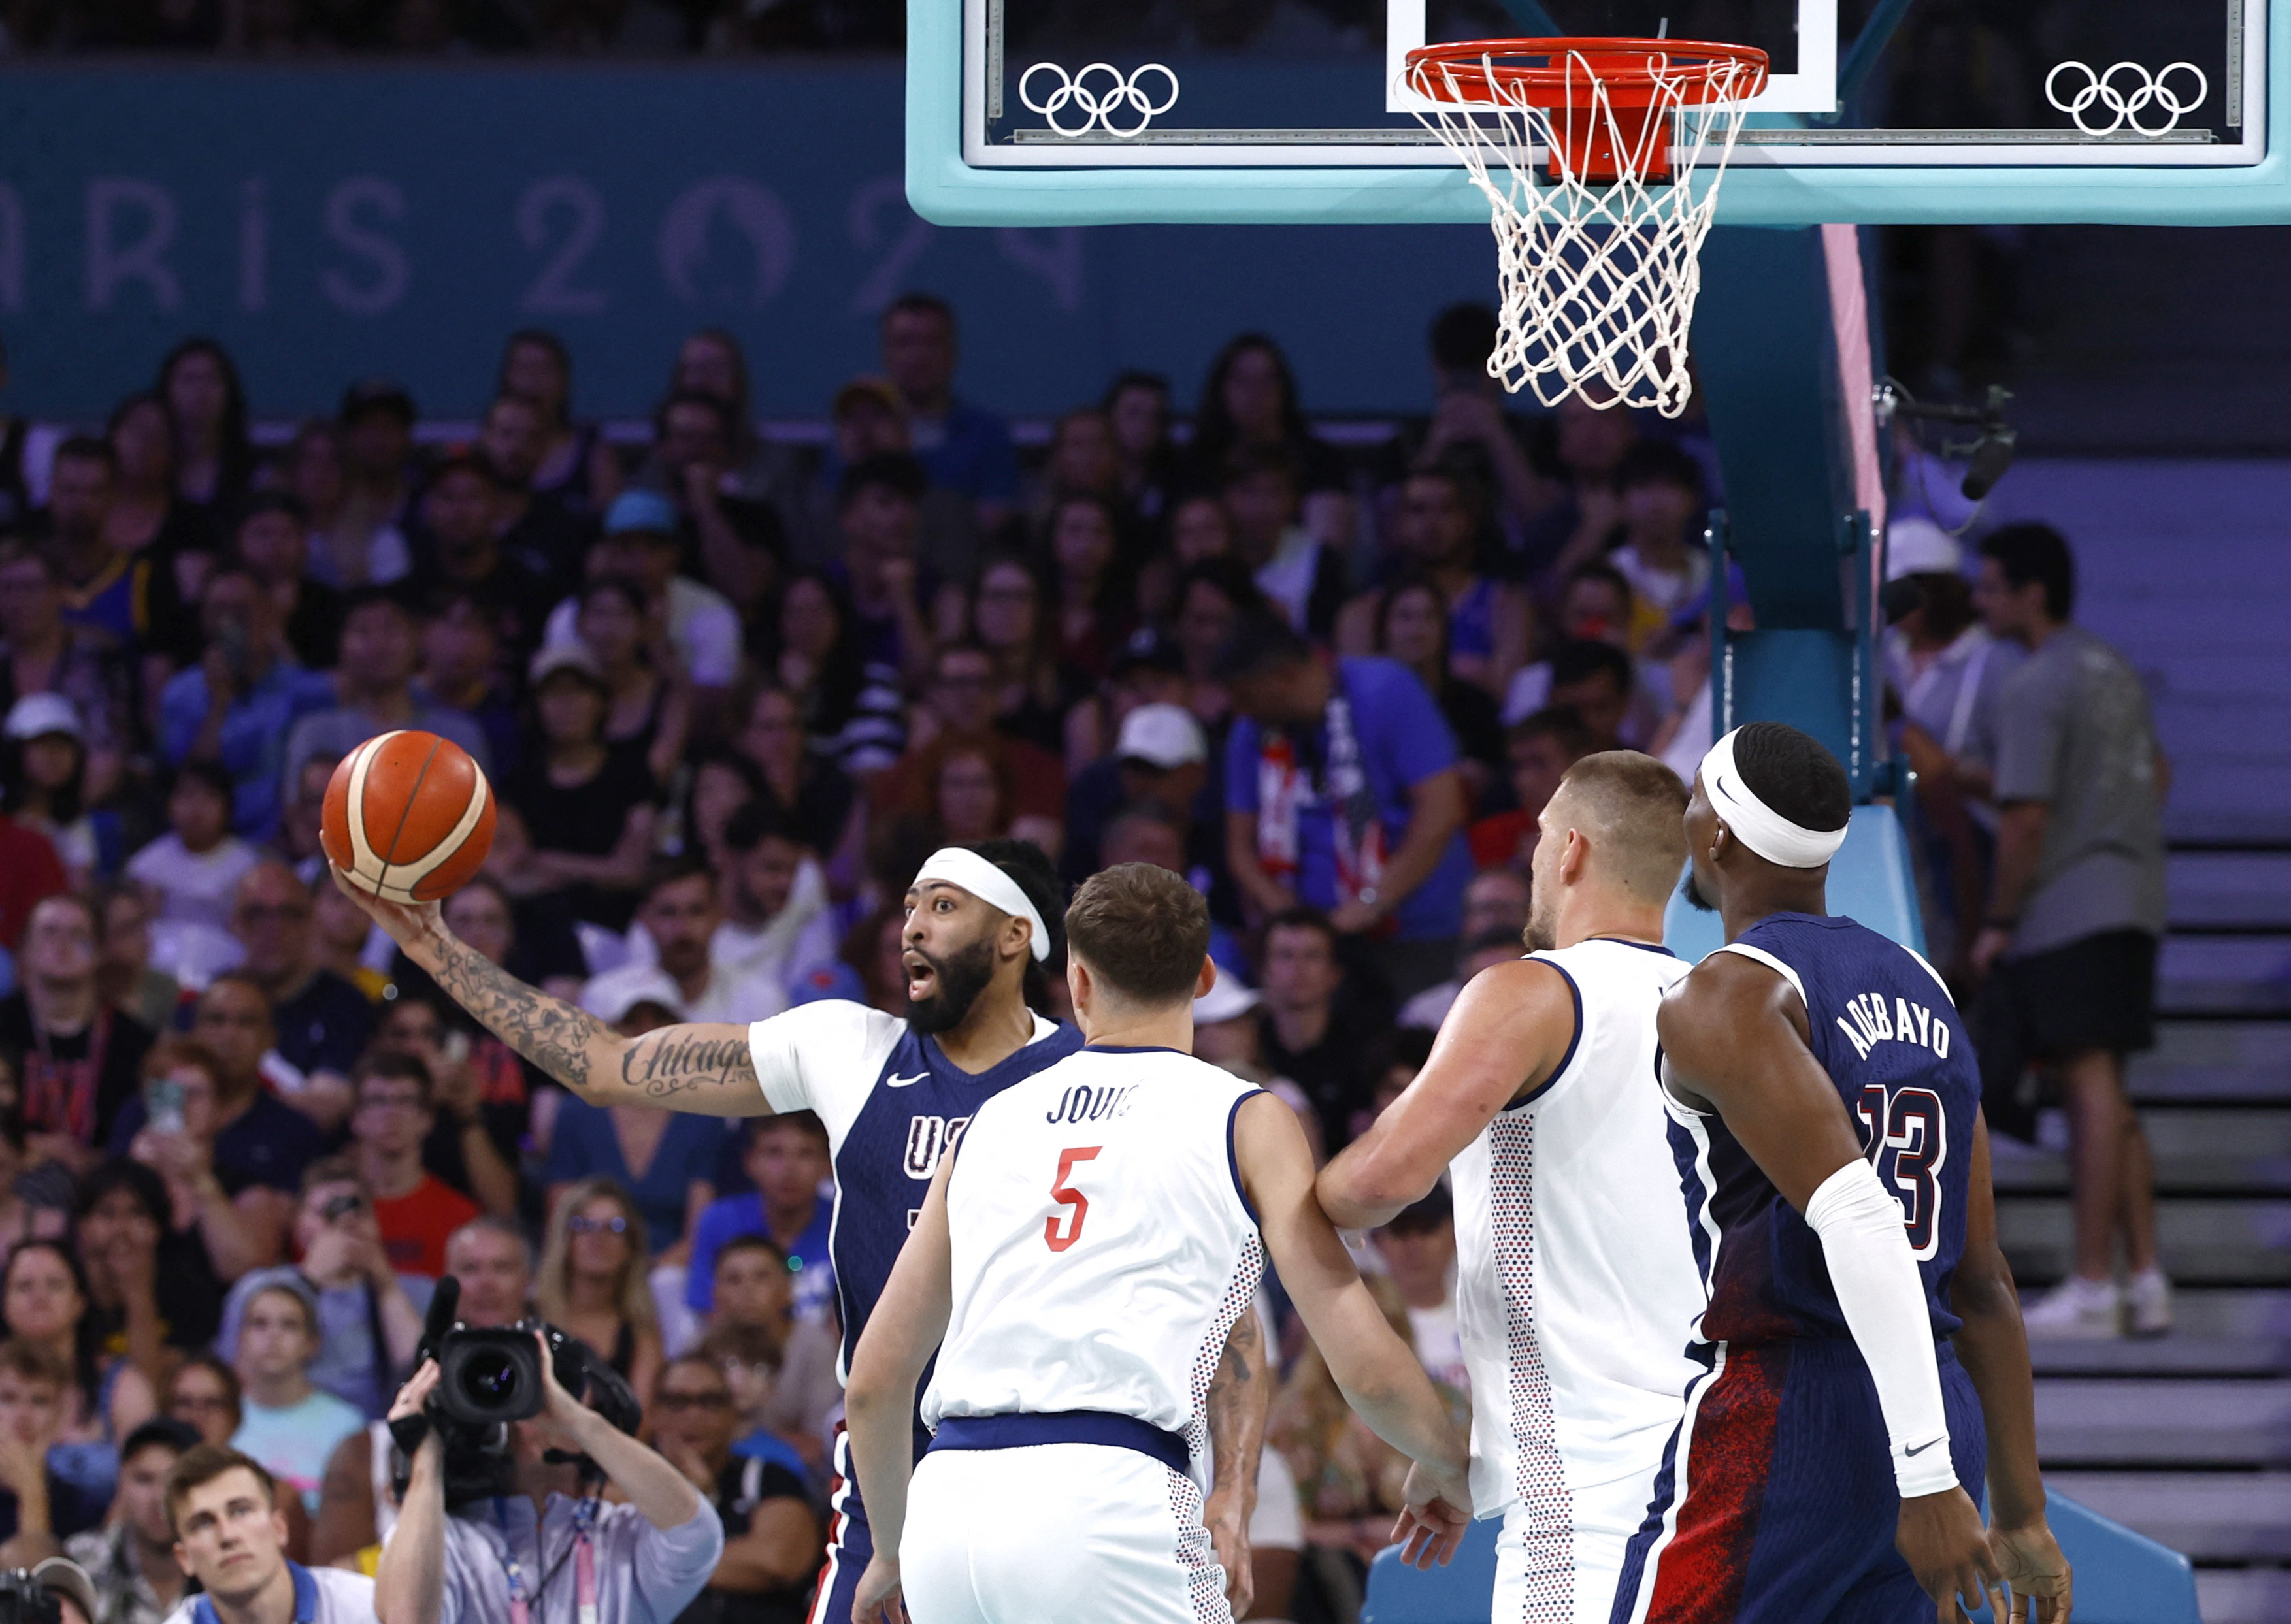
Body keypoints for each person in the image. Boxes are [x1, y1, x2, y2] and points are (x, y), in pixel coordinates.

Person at [329, 837, 1270, 1624]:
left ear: (1017, 934)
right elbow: (608, 1065)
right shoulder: (846, 1049)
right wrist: (432, 949)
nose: (910, 925)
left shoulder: (1096, 1079)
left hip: (1070, 1482)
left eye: (942, 904)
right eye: (907, 905)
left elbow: (1224, 1317)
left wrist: (1232, 1490)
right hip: (893, 1487)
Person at [842, 862, 1471, 1624]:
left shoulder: (987, 1122)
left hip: (948, 1503)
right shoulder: (1242, 1114)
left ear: (1076, 982)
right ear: (1204, 976)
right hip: (1107, 1496)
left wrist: (890, 1547)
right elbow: (1358, 1356)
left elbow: (875, 1377)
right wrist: (1442, 1460)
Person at [1654, 724, 2066, 1619]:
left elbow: (1859, 1218)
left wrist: (1922, 1477)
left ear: (1717, 833)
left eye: (1691, 796)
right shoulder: (1922, 983)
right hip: (1932, 1393)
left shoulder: (1724, 992)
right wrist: (2022, 1508)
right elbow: (1983, 1277)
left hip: (1790, 1410)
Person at [1970, 523, 2172, 1339]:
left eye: (1989, 587)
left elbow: (2022, 820)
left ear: (2032, 593)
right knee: (2109, 1091)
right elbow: (2157, 773)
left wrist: (1997, 920)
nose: (1980, 600)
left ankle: (2092, 1284)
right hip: (2132, 893)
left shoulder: (2033, 682)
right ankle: (2145, 1278)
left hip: (2068, 904)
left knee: (2085, 1088)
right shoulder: (2110, 668)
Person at [1220, 611, 1473, 996]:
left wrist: (1371, 903)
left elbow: (1442, 809)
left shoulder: (1387, 690)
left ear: (1284, 677)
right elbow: (1240, 846)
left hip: (1416, 929)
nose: (1239, 709)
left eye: (1246, 694)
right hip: (1314, 946)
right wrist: (1290, 916)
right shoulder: (1250, 729)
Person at [213, 1164, 428, 1423]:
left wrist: (386, 1285)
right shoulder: (259, 1289)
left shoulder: (413, 1290)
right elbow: (234, 1378)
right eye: (325, 1213)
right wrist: (309, 1281)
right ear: (298, 1223)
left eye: (356, 1211)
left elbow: (420, 1375)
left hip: (381, 1430)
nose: (342, 1223)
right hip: (286, 1425)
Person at [106, 979, 326, 1207]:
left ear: (270, 1038)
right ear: (193, 1030)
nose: (229, 1035)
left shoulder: (294, 1131)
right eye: (216, 1020)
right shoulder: (142, 1111)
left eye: (247, 1022)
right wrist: (135, 1170)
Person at [156, 567, 335, 843]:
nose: (230, 623)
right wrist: (218, 705)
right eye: (219, 610)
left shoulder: (308, 692)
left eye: (242, 611)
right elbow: (190, 782)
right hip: (207, 844)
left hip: (287, 842)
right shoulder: (181, 692)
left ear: (269, 614)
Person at [650, 1355, 819, 1624]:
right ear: (654, 1413)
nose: (694, 1415)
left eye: (710, 1402)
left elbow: (778, 1562)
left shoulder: (767, 1478)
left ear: (733, 1414)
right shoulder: (624, 1481)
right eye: (677, 1402)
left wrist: (656, 1562)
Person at [280, 588, 493, 794]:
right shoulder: (315, 732)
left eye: (390, 628)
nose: (378, 643)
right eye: (362, 631)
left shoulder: (458, 735)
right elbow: (297, 814)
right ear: (340, 646)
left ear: (416, 639)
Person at [0, 895, 156, 1166]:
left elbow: (154, 1132)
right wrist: (30, 1148)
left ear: (98, 951)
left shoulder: (138, 1041)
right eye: (50, 932)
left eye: (78, 934)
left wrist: (91, 1162)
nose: (63, 944)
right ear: (24, 949)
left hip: (106, 1186)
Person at [160, 1444, 376, 1624]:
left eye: (241, 1511)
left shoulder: (367, 1609)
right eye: (203, 1524)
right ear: (184, 1558)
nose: (227, 1536)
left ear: (279, 1528)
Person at [225, 864, 374, 1124]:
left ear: (311, 921)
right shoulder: (210, 998)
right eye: (257, 914)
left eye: (288, 914)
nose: (273, 929)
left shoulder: (346, 1004)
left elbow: (326, 1108)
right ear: (235, 924)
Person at [875, 293, 1019, 534]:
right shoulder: (858, 435)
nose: (918, 356)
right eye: (905, 343)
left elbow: (995, 524)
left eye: (931, 343)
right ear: (886, 354)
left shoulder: (989, 434)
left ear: (953, 353)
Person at [582, 861, 786, 1028]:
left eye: (696, 911)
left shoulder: (761, 1002)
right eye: (667, 913)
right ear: (645, 920)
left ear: (720, 916)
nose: (682, 928)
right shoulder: (604, 999)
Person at [226, 1278, 363, 1515]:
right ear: (241, 1338)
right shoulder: (221, 1416)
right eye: (260, 1324)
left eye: (289, 1325)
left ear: (313, 1343)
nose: (273, 1336)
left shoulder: (347, 1424)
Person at [685, 1115, 832, 1323]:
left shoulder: (846, 1224)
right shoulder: (719, 1220)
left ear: (828, 1165)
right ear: (750, 1162)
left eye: (805, 1154)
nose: (789, 1170)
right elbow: (706, 1313)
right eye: (774, 1153)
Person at [344, 1054, 480, 1280]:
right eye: (378, 1100)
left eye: (405, 1101)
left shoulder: (460, 1217)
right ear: (356, 1118)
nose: (391, 1113)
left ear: (427, 1118)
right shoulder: (326, 1211)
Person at [532, 1179, 665, 1401]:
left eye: (615, 1227)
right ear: (565, 1239)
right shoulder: (529, 1314)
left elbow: (643, 1421)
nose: (598, 1239)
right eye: (584, 1226)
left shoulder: (641, 1332)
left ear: (631, 1246)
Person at [65, 1416, 200, 1624]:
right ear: (121, 1483)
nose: (158, 1498)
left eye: (174, 1481)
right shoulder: (79, 1563)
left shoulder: (224, 1564)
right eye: (144, 1479)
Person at [0, 1339, 105, 1563]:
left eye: (39, 1402)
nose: (23, 1415)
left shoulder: (84, 1509)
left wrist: (32, 1495)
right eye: (8, 1399)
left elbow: (40, 1590)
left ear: (60, 1414)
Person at [1466, 707, 1594, 868]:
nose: (1524, 780)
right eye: (1518, 766)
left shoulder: (1622, 832)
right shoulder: (1491, 837)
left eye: (1540, 764)